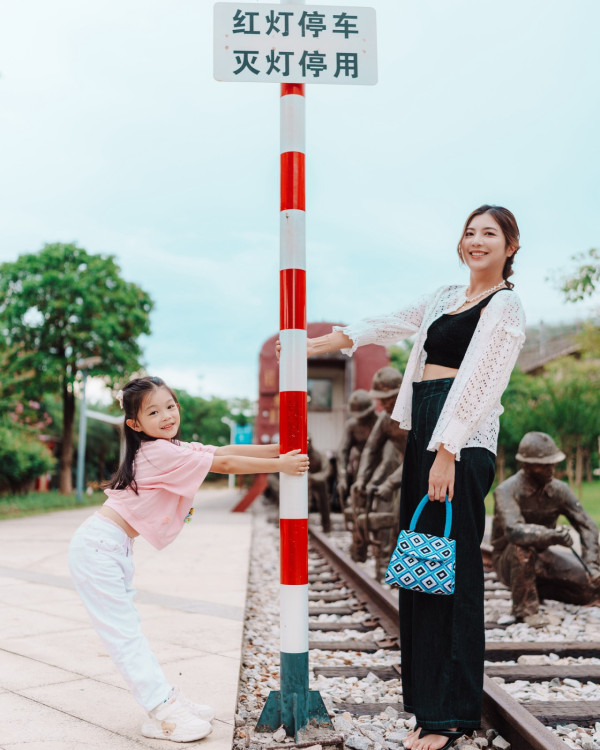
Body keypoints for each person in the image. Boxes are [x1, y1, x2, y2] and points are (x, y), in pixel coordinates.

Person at [279, 205, 526, 750]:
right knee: (423, 568)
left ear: (510, 246)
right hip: (428, 432)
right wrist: (322, 342)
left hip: (459, 441)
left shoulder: (505, 307)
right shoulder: (444, 297)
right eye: (469, 232)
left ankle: (449, 715)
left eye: (489, 234)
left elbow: (483, 382)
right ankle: (428, 704)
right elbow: (390, 322)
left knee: (451, 570)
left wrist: (447, 449)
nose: (476, 241)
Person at [68, 376, 308, 744]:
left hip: (109, 546)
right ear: (135, 424)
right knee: (124, 635)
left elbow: (221, 448)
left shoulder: (170, 447)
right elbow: (224, 463)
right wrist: (281, 465)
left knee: (127, 629)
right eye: (153, 411)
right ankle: (163, 711)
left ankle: (166, 700)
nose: (166, 415)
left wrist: (282, 448)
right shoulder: (159, 452)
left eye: (170, 406)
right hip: (98, 547)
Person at [492, 431, 600, 621]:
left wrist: (591, 564)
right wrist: (552, 535)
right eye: (544, 466)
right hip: (508, 560)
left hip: (543, 556)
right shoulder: (506, 491)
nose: (551, 469)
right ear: (526, 465)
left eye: (552, 463)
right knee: (521, 548)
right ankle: (525, 610)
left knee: (590, 587)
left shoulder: (559, 490)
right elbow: (513, 531)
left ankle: (538, 589)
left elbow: (587, 525)